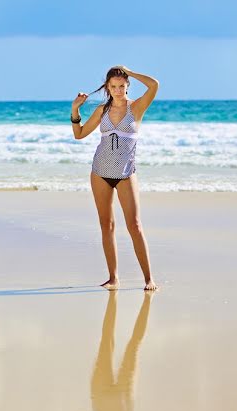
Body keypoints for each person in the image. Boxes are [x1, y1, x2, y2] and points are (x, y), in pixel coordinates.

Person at [71, 66, 159, 291]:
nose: (118, 90)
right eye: (113, 86)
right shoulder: (102, 110)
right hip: (100, 172)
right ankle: (113, 278)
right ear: (107, 88)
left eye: (122, 86)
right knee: (106, 225)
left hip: (125, 173)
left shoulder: (137, 108)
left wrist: (130, 71)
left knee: (135, 225)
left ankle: (149, 278)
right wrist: (75, 110)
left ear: (128, 85)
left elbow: (154, 85)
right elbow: (79, 134)